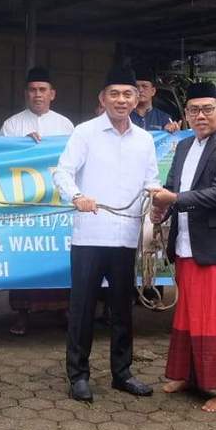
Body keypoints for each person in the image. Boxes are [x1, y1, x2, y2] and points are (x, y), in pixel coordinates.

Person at [53, 66, 160, 402]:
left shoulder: (144, 139)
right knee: (82, 307)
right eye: (114, 93)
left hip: (126, 236)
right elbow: (63, 173)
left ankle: (122, 372)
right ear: (102, 98)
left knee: (122, 310)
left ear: (137, 97)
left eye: (128, 93)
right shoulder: (85, 133)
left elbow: (151, 182)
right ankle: (78, 375)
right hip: (90, 235)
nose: (121, 99)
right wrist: (76, 197)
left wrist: (157, 205)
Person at [149, 82, 216, 413]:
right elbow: (172, 187)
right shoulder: (183, 146)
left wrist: (174, 199)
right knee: (189, 314)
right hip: (187, 243)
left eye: (208, 108)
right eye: (194, 110)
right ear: (186, 114)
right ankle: (188, 375)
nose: (201, 115)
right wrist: (160, 203)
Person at [0, 66, 74, 336]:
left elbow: (73, 162)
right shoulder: (12, 124)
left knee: (57, 253)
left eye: (43, 90)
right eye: (33, 90)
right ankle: (22, 314)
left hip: (56, 205)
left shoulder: (66, 125)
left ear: (52, 94)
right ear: (25, 94)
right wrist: (22, 145)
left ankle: (62, 310)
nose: (37, 95)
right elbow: (0, 164)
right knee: (24, 256)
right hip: (24, 206)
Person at [130, 68, 179, 133]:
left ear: (153, 91)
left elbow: (171, 140)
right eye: (137, 86)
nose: (140, 90)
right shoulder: (125, 116)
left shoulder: (164, 118)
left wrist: (172, 131)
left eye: (144, 86)